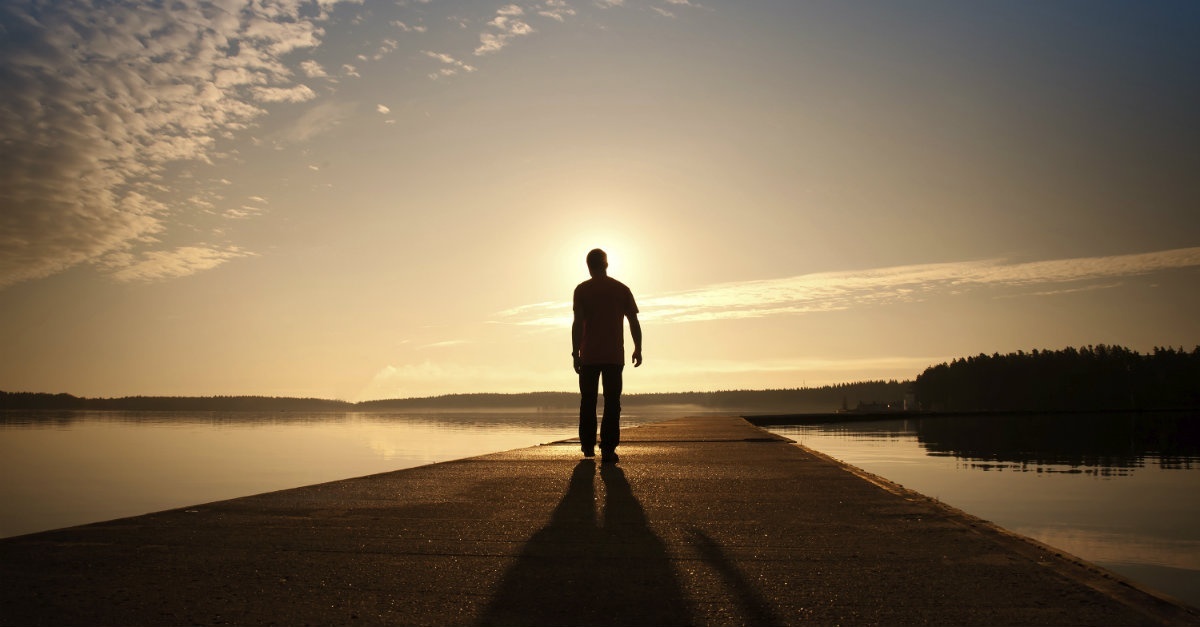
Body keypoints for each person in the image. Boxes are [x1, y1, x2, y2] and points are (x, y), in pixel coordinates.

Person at [571, 248, 642, 464]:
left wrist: (576, 352)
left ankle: (587, 446)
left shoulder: (582, 290)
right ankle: (608, 450)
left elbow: (577, 323)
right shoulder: (621, 289)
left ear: (588, 266)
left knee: (588, 401)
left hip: (589, 355)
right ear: (607, 264)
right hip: (613, 356)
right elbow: (633, 321)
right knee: (612, 402)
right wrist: (638, 348)